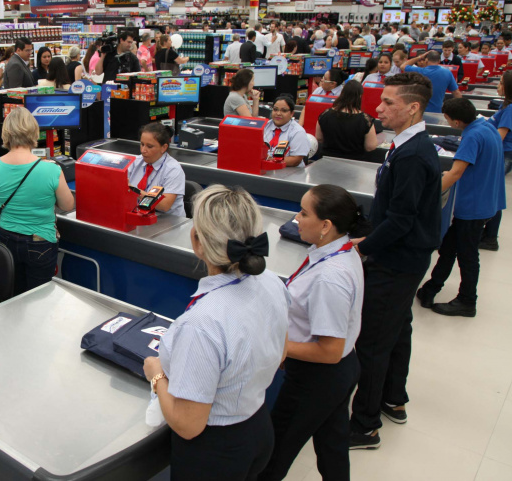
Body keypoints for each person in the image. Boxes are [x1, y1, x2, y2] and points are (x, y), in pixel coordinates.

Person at [142, 184, 289, 481]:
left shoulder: (202, 324)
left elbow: (188, 424)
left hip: (214, 453)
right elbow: (281, 353)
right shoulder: (274, 283)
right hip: (258, 426)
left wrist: (157, 375)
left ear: (197, 241)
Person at [349, 73, 442, 450]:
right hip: (406, 255)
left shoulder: (414, 154)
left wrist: (364, 245)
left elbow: (402, 220)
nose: (378, 108)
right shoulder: (405, 145)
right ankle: (393, 398)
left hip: (397, 259)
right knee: (398, 327)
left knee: (372, 341)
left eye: (388, 102)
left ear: (413, 107)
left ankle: (365, 425)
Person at [259, 185, 365, 481]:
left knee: (274, 452)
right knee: (332, 446)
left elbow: (329, 351)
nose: (297, 218)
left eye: (304, 213)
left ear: (326, 226)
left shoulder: (330, 278)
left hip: (317, 379)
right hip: (342, 370)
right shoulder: (338, 249)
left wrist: (282, 347)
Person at [416, 99, 504, 317]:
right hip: (486, 199)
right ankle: (431, 288)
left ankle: (467, 300)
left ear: (455, 120)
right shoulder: (486, 127)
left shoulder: (472, 136)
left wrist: (428, 197)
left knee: (467, 255)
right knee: (449, 247)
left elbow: (456, 172)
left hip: (473, 205)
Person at [0, 107, 74, 294]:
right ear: (33, 131)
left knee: (14, 293)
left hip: (7, 238)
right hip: (41, 241)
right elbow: (67, 205)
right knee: (39, 297)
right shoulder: (51, 169)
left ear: (6, 132)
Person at [480, 70, 512, 251]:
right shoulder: (506, 106)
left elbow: (499, 136)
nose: (498, 85)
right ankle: (488, 234)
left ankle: (490, 238)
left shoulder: (511, 108)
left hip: (502, 155)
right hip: (502, 154)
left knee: (492, 195)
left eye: (501, 83)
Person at [127, 123, 186, 216]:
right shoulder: (135, 162)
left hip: (168, 222)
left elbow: (165, 206)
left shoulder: (173, 170)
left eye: (149, 146)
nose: (143, 150)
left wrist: (133, 190)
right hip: (138, 215)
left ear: (164, 148)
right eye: (142, 144)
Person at [316, 81, 378, 161]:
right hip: (353, 163)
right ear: (360, 96)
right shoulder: (365, 120)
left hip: (326, 160)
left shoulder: (325, 114)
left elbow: (319, 138)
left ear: (342, 94)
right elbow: (370, 146)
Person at [265, 95, 309, 167]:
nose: (278, 113)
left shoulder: (298, 132)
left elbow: (296, 160)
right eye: (275, 109)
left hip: (290, 172)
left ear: (292, 113)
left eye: (284, 110)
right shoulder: (265, 126)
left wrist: (270, 160)